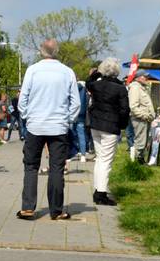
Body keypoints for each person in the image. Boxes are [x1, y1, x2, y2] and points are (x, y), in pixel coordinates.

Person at [16, 39, 80, 220]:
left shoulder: (32, 70)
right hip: (58, 126)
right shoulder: (67, 72)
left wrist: (27, 116)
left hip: (35, 125)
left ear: (41, 51)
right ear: (57, 51)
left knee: (31, 166)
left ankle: (28, 208)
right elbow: (75, 103)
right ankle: (56, 210)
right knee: (57, 168)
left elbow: (23, 99)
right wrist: (68, 120)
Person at [86, 58, 130, 206]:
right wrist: (122, 125)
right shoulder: (120, 89)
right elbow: (124, 110)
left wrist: (97, 73)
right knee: (106, 161)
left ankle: (97, 190)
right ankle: (101, 193)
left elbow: (88, 82)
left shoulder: (96, 85)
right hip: (110, 126)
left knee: (100, 159)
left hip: (96, 125)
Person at [128, 72, 155, 163]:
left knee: (143, 141)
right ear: (138, 78)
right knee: (140, 141)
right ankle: (134, 162)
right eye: (145, 76)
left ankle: (140, 160)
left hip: (144, 119)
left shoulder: (142, 88)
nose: (147, 78)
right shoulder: (135, 88)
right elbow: (133, 107)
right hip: (140, 119)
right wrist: (144, 116)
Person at [69, 78, 89, 162]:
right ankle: (83, 154)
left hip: (72, 112)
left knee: (70, 134)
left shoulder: (71, 87)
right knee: (81, 134)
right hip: (81, 113)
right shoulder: (84, 88)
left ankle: (72, 153)